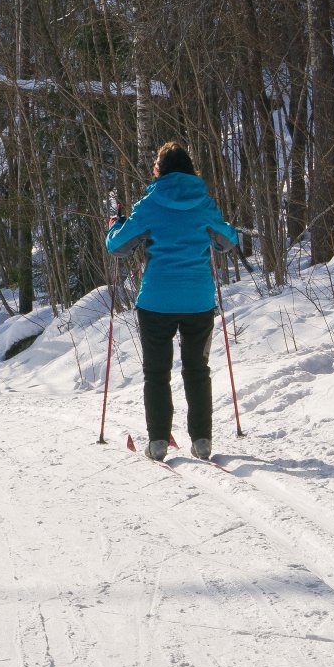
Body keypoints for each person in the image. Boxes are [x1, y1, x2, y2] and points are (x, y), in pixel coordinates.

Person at [105, 141, 238, 461]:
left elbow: (118, 247)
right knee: (197, 370)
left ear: (158, 170)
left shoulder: (149, 204)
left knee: (156, 372)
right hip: (198, 300)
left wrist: (114, 225)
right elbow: (227, 241)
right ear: (192, 169)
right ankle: (202, 441)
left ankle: (158, 443)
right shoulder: (203, 203)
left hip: (156, 301)